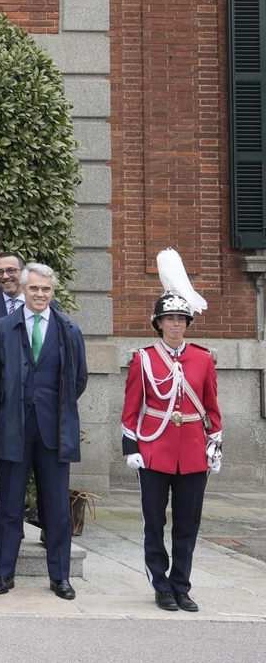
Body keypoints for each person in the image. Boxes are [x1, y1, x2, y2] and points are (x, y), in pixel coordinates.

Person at [123, 250, 223, 613]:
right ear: (159, 323)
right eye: (170, 319)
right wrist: (128, 446)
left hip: (193, 452)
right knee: (154, 522)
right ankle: (160, 583)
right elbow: (132, 408)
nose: (176, 325)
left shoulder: (204, 358)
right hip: (153, 449)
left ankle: (181, 585)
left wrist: (215, 445)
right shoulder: (143, 358)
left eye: (181, 319)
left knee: (187, 524)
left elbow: (212, 408)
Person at [0, 262, 87, 600]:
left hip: (53, 430)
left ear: (53, 291)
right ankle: (4, 574)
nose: (40, 294)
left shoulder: (69, 329)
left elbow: (78, 380)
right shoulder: (3, 327)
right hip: (13, 428)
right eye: (34, 289)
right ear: (23, 289)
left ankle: (59, 577)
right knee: (9, 506)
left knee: (58, 507)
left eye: (46, 289)